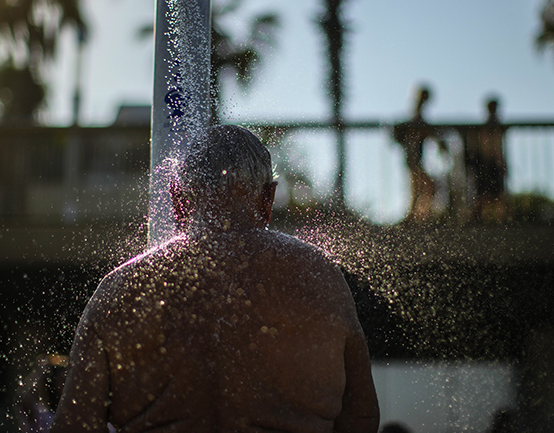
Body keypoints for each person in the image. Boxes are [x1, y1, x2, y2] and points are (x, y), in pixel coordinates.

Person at [51, 125, 379, 433]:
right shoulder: (320, 278)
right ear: (267, 199)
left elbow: (74, 425)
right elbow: (362, 417)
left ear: (178, 200)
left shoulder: (120, 290)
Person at [393, 86, 447, 223]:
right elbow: (420, 127)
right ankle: (416, 217)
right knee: (422, 187)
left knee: (420, 188)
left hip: (415, 159)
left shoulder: (418, 117)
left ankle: (417, 216)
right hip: (413, 159)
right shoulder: (416, 118)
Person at [467, 97, 508, 222]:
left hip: (493, 162)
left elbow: (498, 147)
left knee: (494, 193)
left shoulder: (494, 126)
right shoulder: (487, 127)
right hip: (488, 162)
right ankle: (488, 219)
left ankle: (494, 219)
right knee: (486, 193)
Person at [16, 354, 68, 433]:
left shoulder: (69, 413)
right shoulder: (41, 414)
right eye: (62, 380)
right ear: (54, 383)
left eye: (66, 379)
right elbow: (23, 399)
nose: (65, 384)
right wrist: (38, 373)